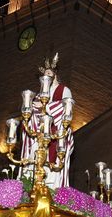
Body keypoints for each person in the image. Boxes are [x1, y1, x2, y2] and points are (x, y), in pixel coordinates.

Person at [20, 55, 74, 190]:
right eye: (45, 75)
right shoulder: (40, 94)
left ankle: (53, 189)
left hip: (56, 133)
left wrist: (47, 107)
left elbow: (66, 108)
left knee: (53, 164)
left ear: (55, 75)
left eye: (49, 74)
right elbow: (31, 115)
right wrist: (32, 108)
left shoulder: (64, 90)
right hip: (40, 133)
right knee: (36, 158)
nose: (47, 77)